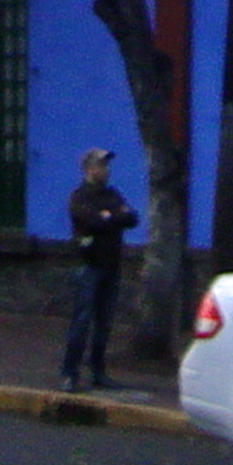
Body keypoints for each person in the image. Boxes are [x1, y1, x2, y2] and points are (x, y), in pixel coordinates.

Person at [60, 148, 140, 394]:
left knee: (104, 323)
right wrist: (113, 217)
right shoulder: (79, 196)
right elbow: (92, 220)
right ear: (88, 169)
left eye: (106, 166)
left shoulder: (112, 194)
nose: (106, 170)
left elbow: (132, 218)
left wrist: (109, 217)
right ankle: (70, 373)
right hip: (88, 265)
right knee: (82, 321)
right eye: (101, 165)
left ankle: (98, 371)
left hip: (111, 264)